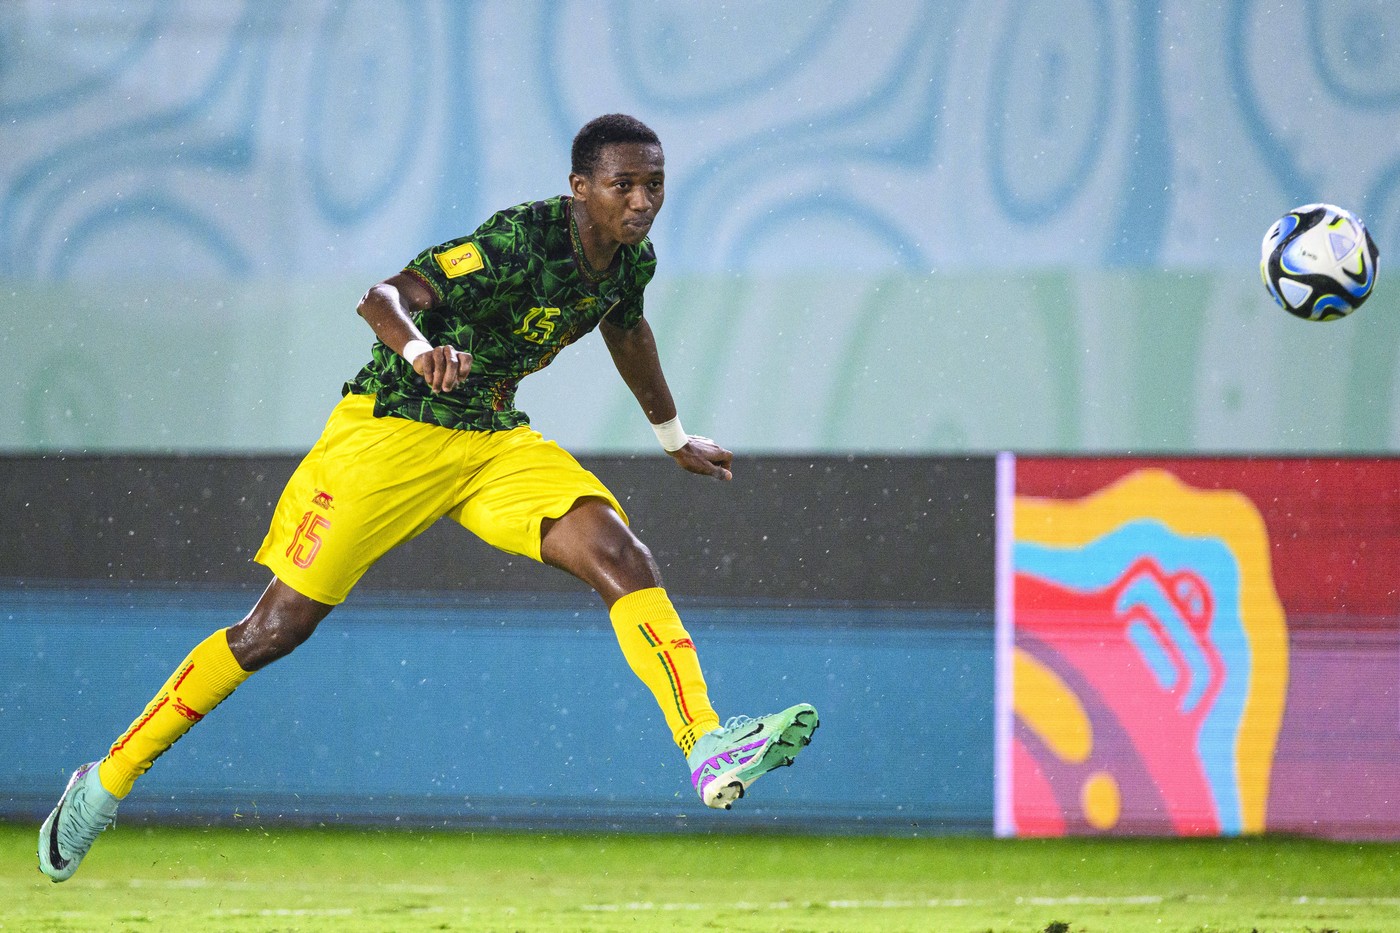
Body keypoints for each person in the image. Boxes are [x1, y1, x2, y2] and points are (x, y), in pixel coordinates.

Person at [37, 113, 819, 883]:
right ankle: (107, 780)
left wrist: (672, 436)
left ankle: (706, 741)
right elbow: (381, 295)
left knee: (619, 550)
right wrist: (419, 348)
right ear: (581, 188)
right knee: (276, 629)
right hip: (391, 431)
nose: (642, 201)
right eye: (624, 185)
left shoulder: (626, 265)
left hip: (488, 439)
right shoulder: (518, 241)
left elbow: (627, 331)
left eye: (654, 185)